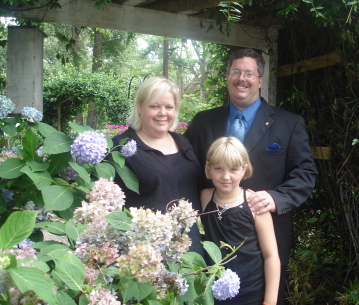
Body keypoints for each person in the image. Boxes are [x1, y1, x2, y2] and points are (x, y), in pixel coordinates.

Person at [185, 48, 318, 304]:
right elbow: (185, 166)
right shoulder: (203, 122)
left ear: (260, 80)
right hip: (213, 236)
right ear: (227, 77)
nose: (241, 78)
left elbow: (305, 172)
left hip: (267, 236)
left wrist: (277, 198)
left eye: (249, 73)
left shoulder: (288, 124)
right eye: (235, 72)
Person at [111, 76, 203, 254]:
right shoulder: (121, 147)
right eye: (154, 106)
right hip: (146, 255)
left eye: (169, 107)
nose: (163, 113)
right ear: (139, 106)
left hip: (192, 250)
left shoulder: (183, 143)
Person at [201, 136, 280, 305]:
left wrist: (270, 302)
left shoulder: (254, 204)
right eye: (219, 169)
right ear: (209, 168)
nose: (226, 176)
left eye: (233, 169)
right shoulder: (205, 197)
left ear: (244, 169)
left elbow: (271, 255)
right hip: (212, 292)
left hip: (250, 294)